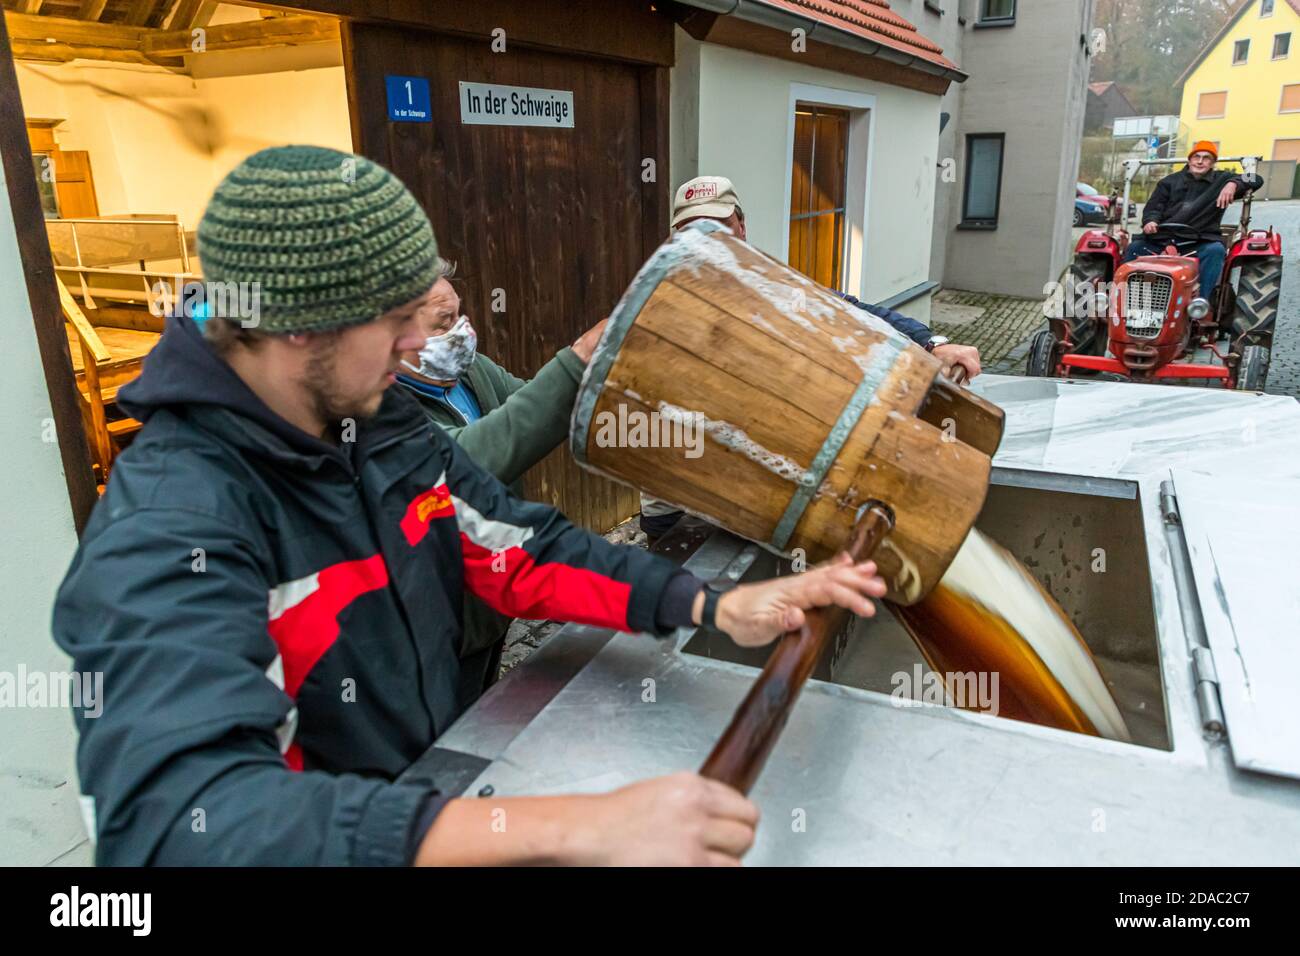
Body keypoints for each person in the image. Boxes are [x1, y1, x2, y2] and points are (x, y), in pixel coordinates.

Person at [52, 146, 888, 867]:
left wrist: (714, 603)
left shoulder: (372, 426)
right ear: (301, 328)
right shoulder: (171, 527)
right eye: (396, 319)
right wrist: (580, 827)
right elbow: (185, 824)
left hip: (431, 797)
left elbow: (516, 547)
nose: (420, 343)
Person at [641, 175, 981, 544]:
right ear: (677, 239)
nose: (707, 240)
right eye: (693, 230)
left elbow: (848, 312)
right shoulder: (664, 305)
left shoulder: (770, 286)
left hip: (754, 499)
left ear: (741, 228)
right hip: (682, 511)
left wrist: (931, 344)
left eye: (718, 226)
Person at [393, 263, 606, 704]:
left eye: (460, 314)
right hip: (435, 629)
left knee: (485, 709)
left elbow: (531, 406)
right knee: (446, 744)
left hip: (491, 606)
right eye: (444, 322)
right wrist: (574, 362)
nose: (463, 331)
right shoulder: (382, 411)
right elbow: (471, 457)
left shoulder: (469, 373)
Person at [1120, 141, 1262, 299]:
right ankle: (1123, 300)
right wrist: (1150, 221)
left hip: (1198, 242)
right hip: (1162, 239)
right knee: (1135, 247)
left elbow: (1256, 178)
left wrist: (1233, 184)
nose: (1200, 161)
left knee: (1216, 251)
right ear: (1190, 160)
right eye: (1197, 156)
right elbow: (1154, 207)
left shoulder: (1222, 179)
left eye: (1206, 158)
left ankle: (1201, 303)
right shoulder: (1169, 182)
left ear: (1213, 162)